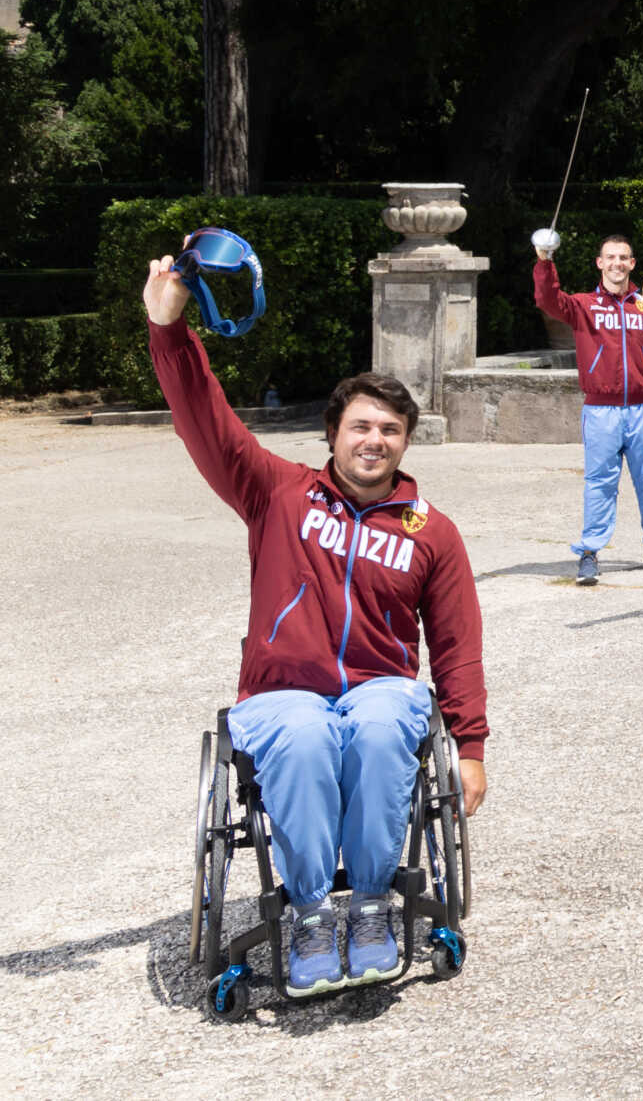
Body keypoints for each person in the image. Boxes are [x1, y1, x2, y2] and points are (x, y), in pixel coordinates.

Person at [145, 254, 489, 998]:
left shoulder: (433, 532)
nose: (375, 439)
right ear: (331, 432)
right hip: (283, 689)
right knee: (303, 734)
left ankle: (368, 904)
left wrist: (470, 746)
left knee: (377, 722)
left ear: (406, 443)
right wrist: (168, 328)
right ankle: (307, 910)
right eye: (361, 424)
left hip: (381, 688)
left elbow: (457, 645)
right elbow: (204, 416)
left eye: (391, 429)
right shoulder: (277, 492)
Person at [535, 231, 643, 584]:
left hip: (642, 408)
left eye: (624, 257)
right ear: (600, 263)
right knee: (599, 483)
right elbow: (547, 299)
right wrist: (545, 261)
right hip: (600, 411)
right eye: (611, 257)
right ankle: (589, 552)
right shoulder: (584, 305)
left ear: (632, 264)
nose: (617, 263)